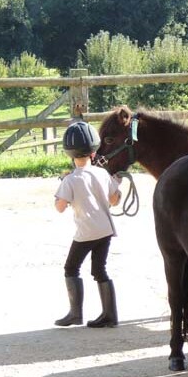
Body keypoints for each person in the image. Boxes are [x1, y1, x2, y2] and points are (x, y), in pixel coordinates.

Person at [54, 121, 122, 328]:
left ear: (69, 153)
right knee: (100, 270)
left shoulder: (70, 180)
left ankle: (75, 314)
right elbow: (114, 201)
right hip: (106, 229)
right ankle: (110, 315)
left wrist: (61, 188)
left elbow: (60, 207)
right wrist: (117, 185)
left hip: (86, 232)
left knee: (71, 268)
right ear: (93, 152)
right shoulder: (103, 173)